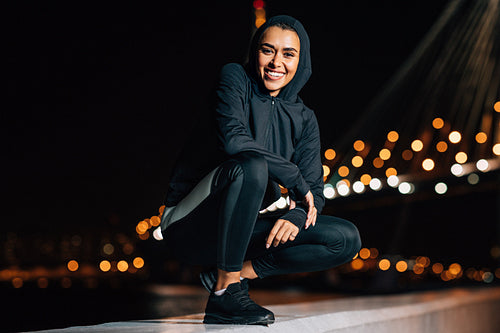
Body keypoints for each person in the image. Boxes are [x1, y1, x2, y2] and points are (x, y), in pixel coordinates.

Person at [154, 15, 362, 326]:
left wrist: (294, 215)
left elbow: (314, 192)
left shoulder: (305, 118)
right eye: (268, 50)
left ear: (300, 61)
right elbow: (235, 141)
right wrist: (293, 178)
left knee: (344, 238)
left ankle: (230, 275)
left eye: (288, 54)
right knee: (251, 166)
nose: (277, 62)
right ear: (256, 52)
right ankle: (225, 295)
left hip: (242, 233)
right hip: (191, 226)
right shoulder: (234, 77)